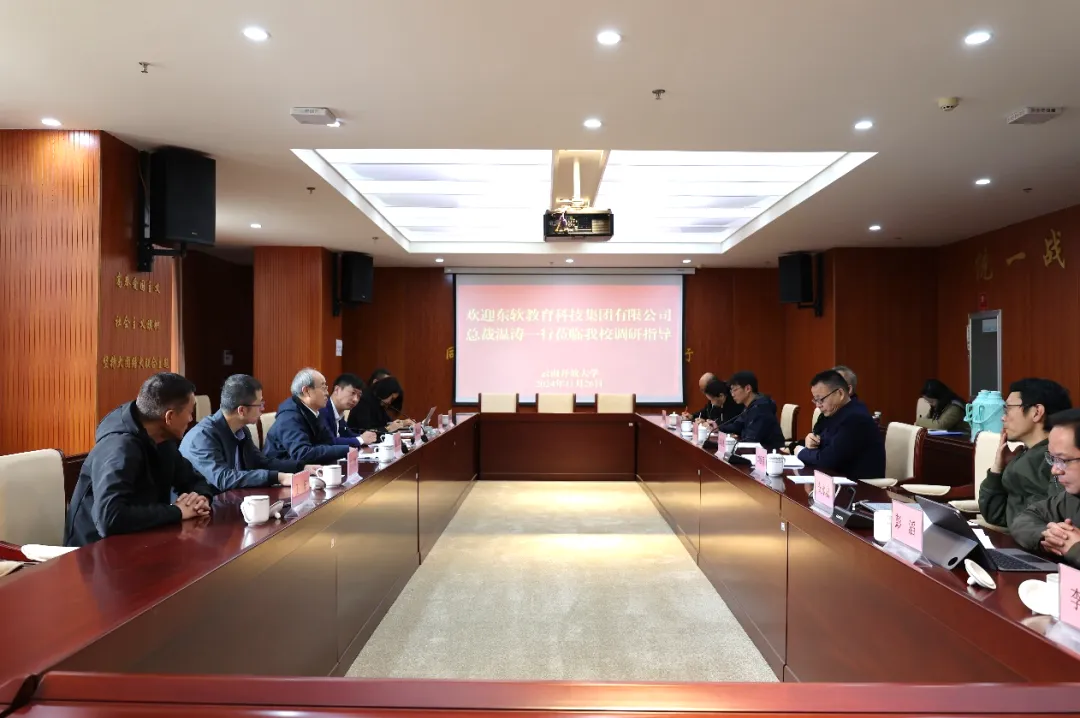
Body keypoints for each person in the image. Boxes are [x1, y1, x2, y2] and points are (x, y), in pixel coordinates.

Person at [64, 373, 217, 547]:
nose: (191, 419)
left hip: (143, 539)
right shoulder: (119, 448)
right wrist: (177, 511)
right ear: (169, 417)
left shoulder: (162, 439)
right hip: (94, 550)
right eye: (190, 412)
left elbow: (193, 480)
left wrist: (201, 499)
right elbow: (110, 518)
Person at [179, 374, 305, 491]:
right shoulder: (203, 436)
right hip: (203, 503)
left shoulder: (241, 430)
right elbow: (223, 478)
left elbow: (261, 462)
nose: (263, 409)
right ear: (242, 410)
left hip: (231, 498)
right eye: (259, 404)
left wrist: (302, 467)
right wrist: (278, 477)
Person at [978, 378, 1072, 529]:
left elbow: (1055, 517)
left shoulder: (1061, 459)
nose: (1003, 417)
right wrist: (997, 469)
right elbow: (996, 515)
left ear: (1037, 412)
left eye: (1008, 409)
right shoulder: (1022, 455)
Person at [1010, 408, 1080, 566]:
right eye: (1053, 459)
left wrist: (1075, 548)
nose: (1055, 470)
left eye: (1063, 460)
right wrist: (1048, 537)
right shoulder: (1071, 498)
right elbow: (1024, 519)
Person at [795, 369, 885, 480]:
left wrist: (801, 452)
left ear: (840, 393)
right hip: (835, 479)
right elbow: (820, 443)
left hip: (859, 486)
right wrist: (810, 441)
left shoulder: (856, 418)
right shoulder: (832, 413)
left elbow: (827, 460)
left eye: (821, 400)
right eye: (815, 400)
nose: (818, 405)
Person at [263, 368, 352, 465]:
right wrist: (345, 450)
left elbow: (329, 442)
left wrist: (348, 449)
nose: (327, 393)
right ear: (306, 391)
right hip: (284, 470)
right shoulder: (289, 417)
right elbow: (302, 453)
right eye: (323, 388)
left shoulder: (315, 411)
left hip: (310, 468)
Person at [717, 371, 785, 450]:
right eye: (731, 391)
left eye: (735, 390)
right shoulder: (750, 406)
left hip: (770, 453)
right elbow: (737, 426)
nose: (732, 394)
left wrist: (734, 441)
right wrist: (718, 428)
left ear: (748, 389)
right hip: (754, 451)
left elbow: (752, 439)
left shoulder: (761, 408)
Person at [319, 373, 378, 447]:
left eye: (359, 396)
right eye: (353, 393)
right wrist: (361, 439)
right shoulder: (322, 410)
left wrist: (366, 437)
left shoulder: (339, 413)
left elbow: (347, 434)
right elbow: (329, 441)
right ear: (337, 390)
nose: (355, 399)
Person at [347, 374, 411, 433]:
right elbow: (366, 431)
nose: (390, 402)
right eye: (392, 399)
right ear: (386, 391)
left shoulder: (379, 403)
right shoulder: (364, 401)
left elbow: (387, 423)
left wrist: (402, 423)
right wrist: (388, 428)